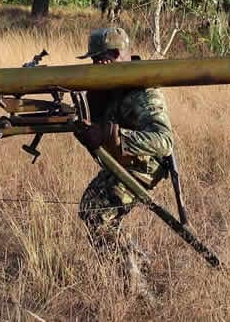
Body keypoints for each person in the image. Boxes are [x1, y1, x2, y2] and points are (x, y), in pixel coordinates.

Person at [74, 27, 174, 298]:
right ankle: (138, 262)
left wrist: (113, 136)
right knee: (91, 208)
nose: (96, 66)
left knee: (98, 214)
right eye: (93, 61)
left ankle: (135, 288)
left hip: (144, 165)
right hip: (124, 160)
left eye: (101, 60)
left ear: (117, 54)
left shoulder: (142, 89)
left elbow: (164, 141)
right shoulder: (112, 85)